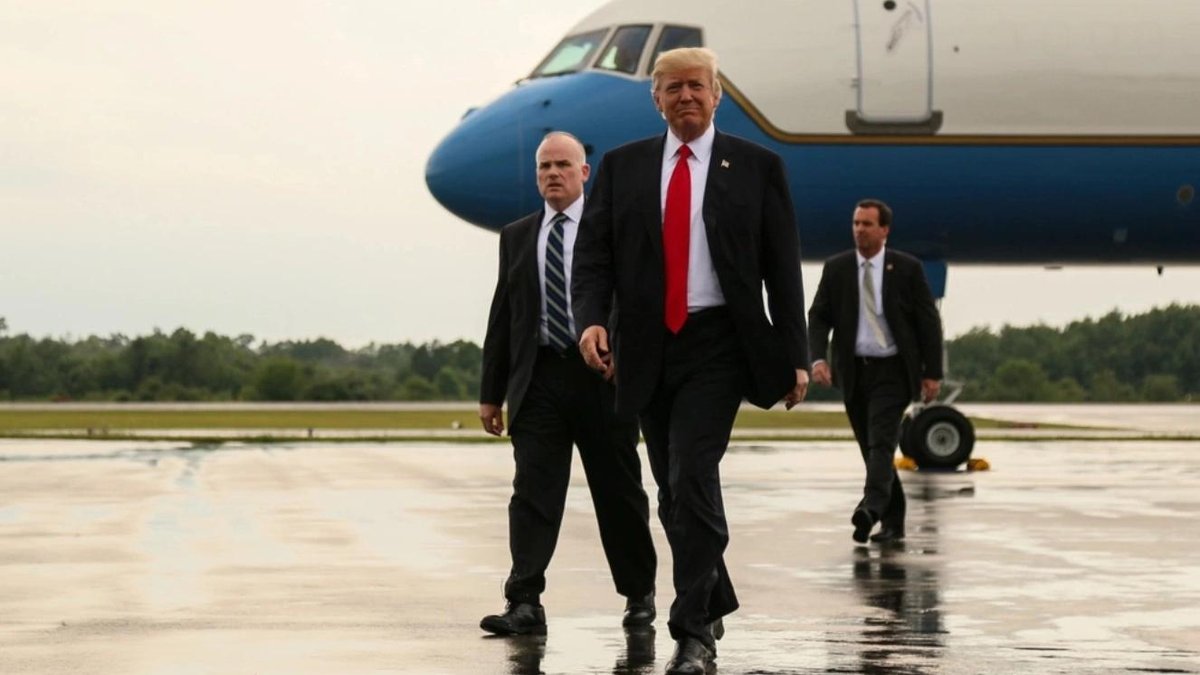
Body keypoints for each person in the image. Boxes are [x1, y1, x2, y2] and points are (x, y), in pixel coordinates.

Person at [572, 47, 809, 674]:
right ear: (656, 98)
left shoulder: (758, 167)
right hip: (645, 346)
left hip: (719, 344)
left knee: (693, 472)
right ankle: (714, 593)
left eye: (697, 87)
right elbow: (593, 257)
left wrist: (797, 357)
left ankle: (694, 630)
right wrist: (592, 319)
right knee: (670, 490)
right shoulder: (624, 168)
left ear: (717, 93)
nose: (686, 97)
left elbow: (783, 270)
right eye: (673, 88)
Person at [478, 131, 657, 635]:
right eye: (543, 166)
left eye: (562, 165)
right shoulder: (517, 235)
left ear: (585, 173)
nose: (552, 173)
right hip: (538, 378)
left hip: (601, 377)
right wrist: (492, 393)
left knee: (618, 493)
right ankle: (524, 601)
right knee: (532, 493)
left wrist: (628, 356)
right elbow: (503, 317)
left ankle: (639, 595)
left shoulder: (611, 231)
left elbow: (635, 302)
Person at [807, 199, 944, 545]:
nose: (859, 230)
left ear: (884, 230)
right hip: (854, 371)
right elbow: (819, 315)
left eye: (867, 224)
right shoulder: (837, 268)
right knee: (871, 449)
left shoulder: (907, 268)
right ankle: (894, 522)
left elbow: (928, 323)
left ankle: (870, 508)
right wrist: (817, 359)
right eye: (856, 223)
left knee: (882, 442)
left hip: (894, 371)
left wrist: (933, 373)